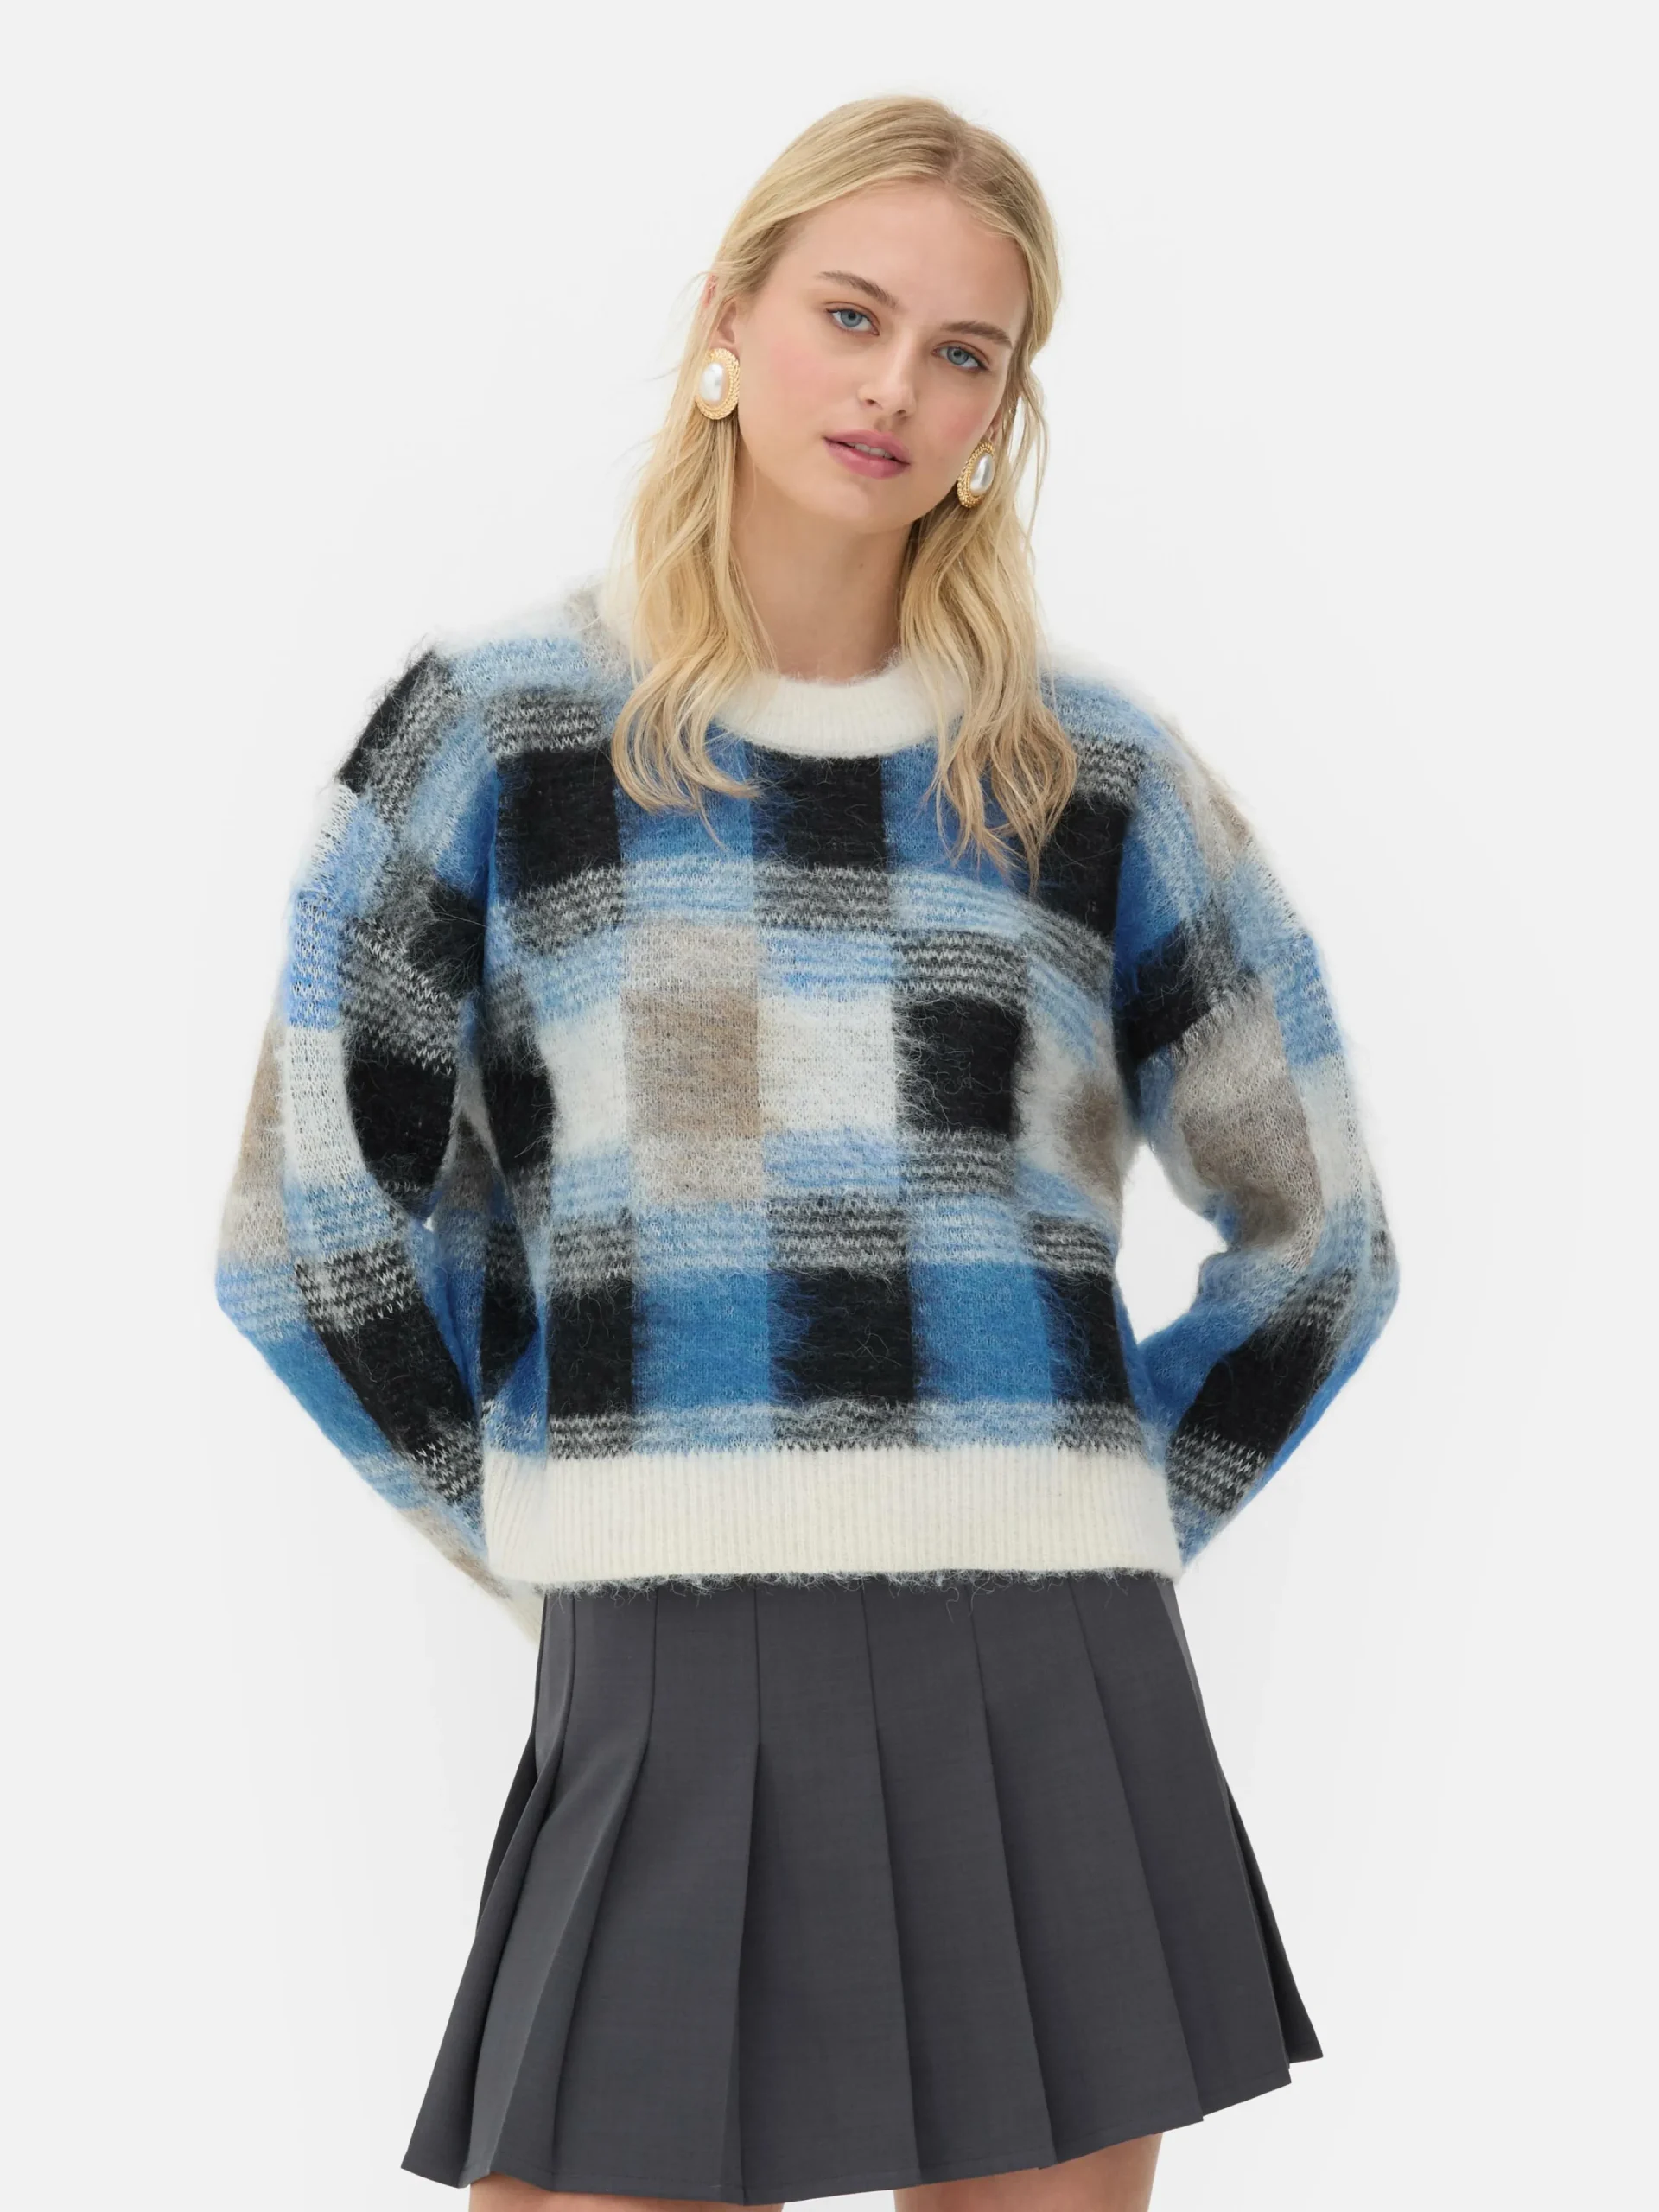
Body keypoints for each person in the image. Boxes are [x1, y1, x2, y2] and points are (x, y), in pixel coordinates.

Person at [214, 92, 1398, 2212]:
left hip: (1053, 1659)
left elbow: (1322, 1232)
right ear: (727, 318)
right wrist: (549, 1514)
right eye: (852, 314)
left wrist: (1100, 1501)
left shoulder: (1096, 773)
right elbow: (305, 1230)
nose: (895, 389)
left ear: (1002, 411)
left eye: (965, 353)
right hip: (663, 1652)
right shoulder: (494, 732)